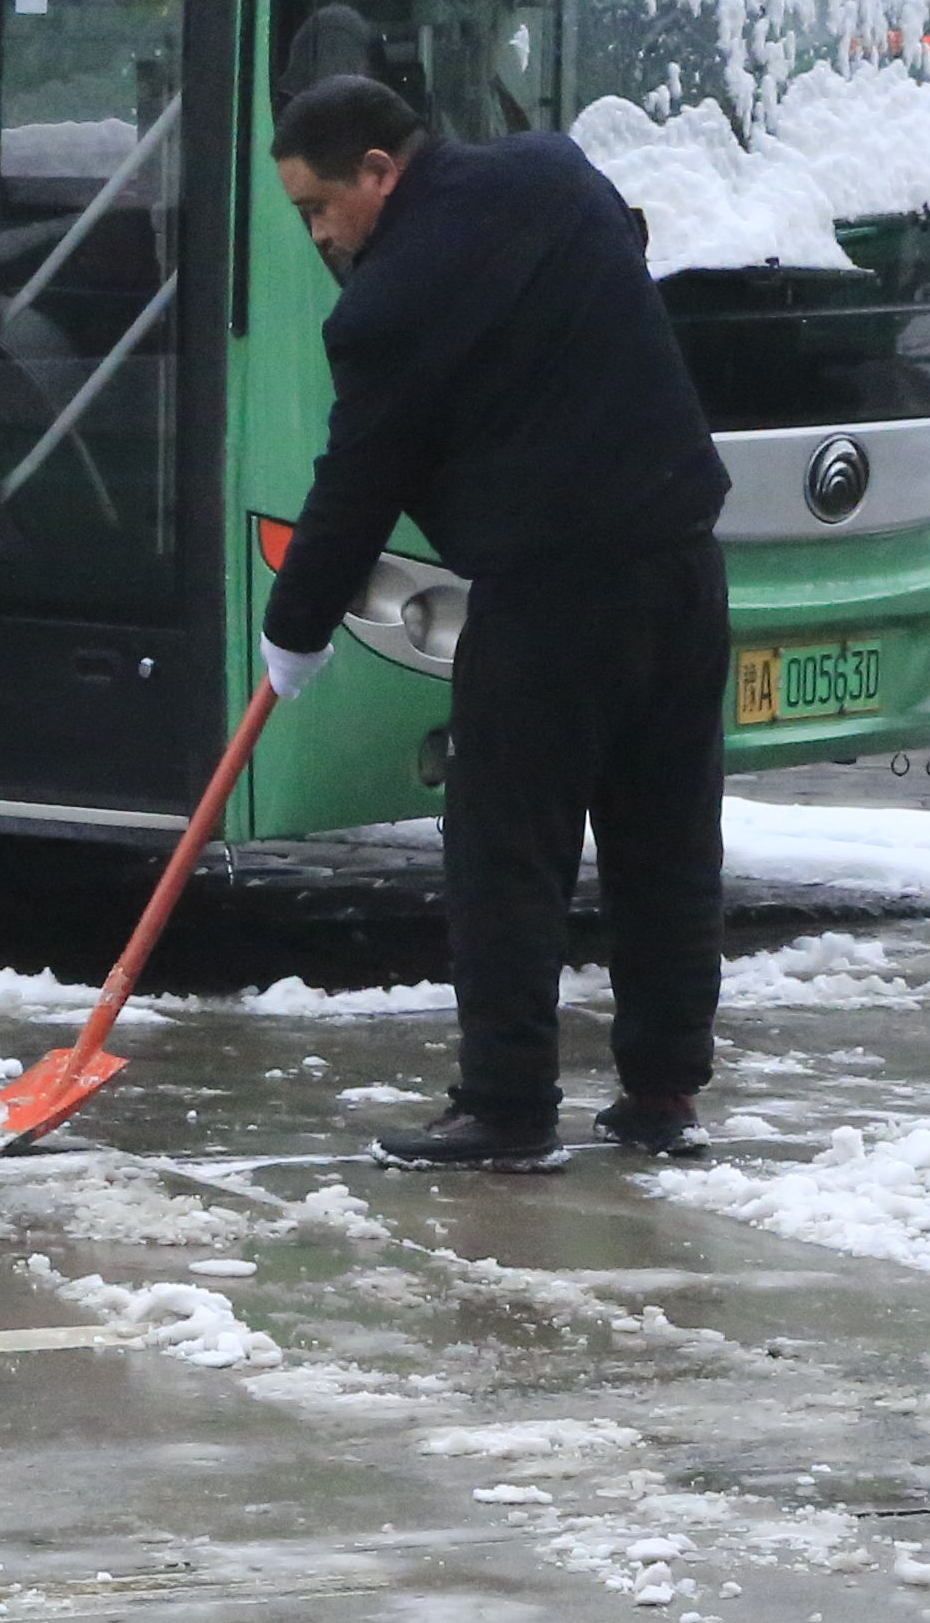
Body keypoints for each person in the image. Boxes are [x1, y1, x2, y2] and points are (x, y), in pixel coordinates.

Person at [251, 73, 737, 1173]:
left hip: (553, 594)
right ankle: (663, 1092)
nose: (320, 233)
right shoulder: (555, 173)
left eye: (317, 206)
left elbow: (356, 484)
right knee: (667, 840)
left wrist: (296, 630)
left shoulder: (386, 305)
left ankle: (509, 1106)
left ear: (379, 172)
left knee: (506, 850)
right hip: (681, 562)